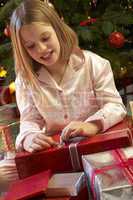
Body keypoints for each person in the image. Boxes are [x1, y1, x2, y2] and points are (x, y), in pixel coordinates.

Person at [10, 0, 126, 153]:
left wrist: (92, 125)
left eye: (45, 38)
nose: (41, 49)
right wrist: (29, 137)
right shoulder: (25, 81)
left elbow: (115, 106)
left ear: (58, 30)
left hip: (97, 146)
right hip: (56, 154)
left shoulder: (93, 64)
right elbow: (30, 120)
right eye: (31, 46)